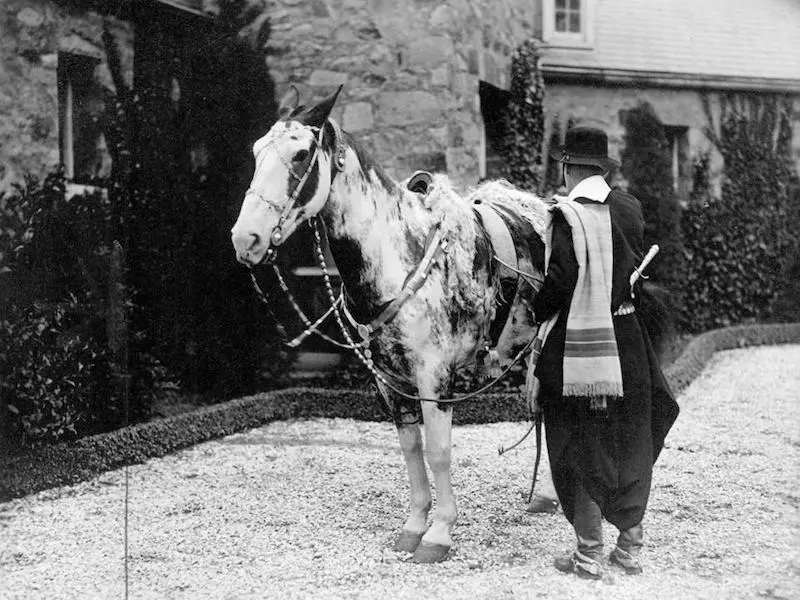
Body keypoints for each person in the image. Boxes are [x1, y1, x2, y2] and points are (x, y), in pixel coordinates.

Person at [531, 126, 679, 579]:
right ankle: (630, 549)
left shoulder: (566, 216)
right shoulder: (630, 207)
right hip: (629, 339)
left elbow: (559, 284)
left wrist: (533, 310)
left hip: (581, 345)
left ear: (567, 166)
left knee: (577, 442)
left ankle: (589, 554)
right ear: (603, 167)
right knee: (629, 439)